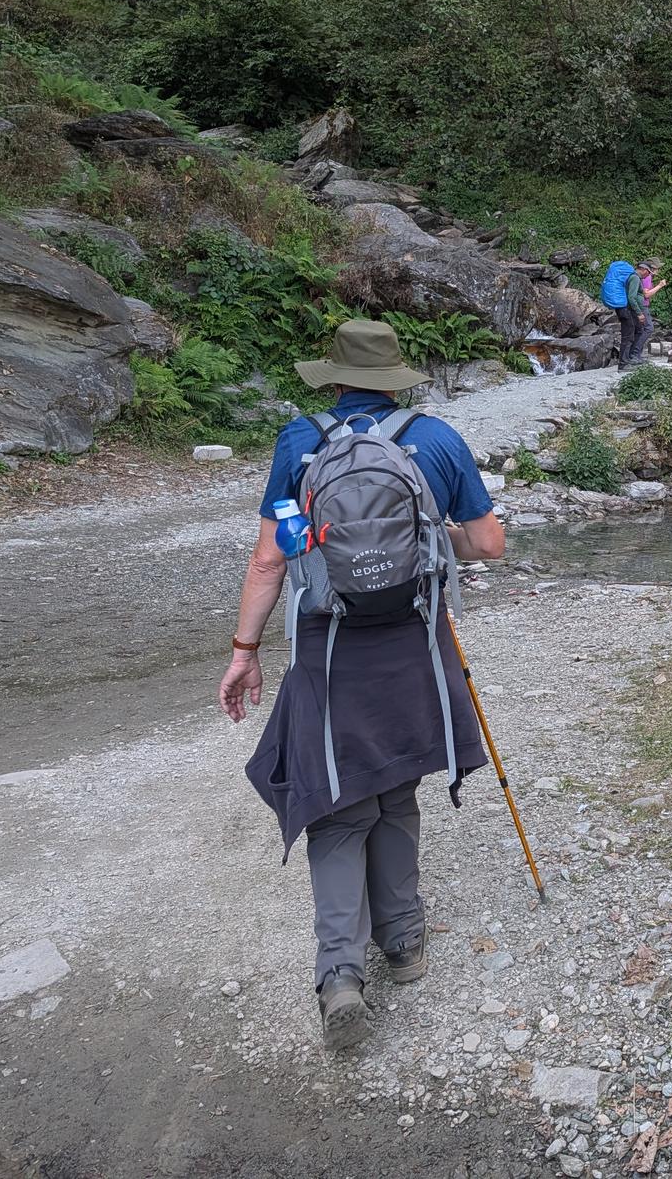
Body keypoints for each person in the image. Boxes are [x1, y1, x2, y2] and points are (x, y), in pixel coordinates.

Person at [216, 319, 507, 1052]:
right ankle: (404, 946)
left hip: (329, 643)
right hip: (414, 639)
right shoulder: (434, 439)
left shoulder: (299, 442)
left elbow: (268, 562)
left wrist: (244, 651)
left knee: (339, 804)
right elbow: (487, 544)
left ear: (335, 378)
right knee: (399, 786)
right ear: (395, 377)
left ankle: (341, 975)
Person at [628, 258, 663, 365]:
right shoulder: (647, 277)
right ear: (651, 268)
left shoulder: (645, 276)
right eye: (657, 268)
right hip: (643, 306)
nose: (658, 270)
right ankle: (635, 354)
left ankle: (635, 354)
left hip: (641, 306)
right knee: (648, 328)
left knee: (641, 330)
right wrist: (660, 286)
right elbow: (646, 294)